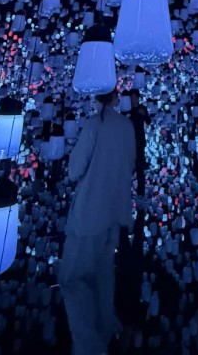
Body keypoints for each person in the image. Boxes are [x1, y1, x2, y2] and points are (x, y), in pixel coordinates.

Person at [58, 89, 136, 355]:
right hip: (114, 216)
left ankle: (89, 347)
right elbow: (130, 166)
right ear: (115, 97)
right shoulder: (126, 127)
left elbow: (74, 170)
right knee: (103, 280)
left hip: (89, 215)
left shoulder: (94, 125)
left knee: (72, 279)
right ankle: (104, 334)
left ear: (95, 97)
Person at [126, 88, 151, 197]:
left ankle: (141, 192)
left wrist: (144, 114)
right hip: (129, 140)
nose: (133, 100)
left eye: (134, 97)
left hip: (140, 140)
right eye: (131, 98)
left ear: (138, 98)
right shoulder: (126, 109)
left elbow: (148, 121)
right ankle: (127, 191)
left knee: (139, 166)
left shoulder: (142, 108)